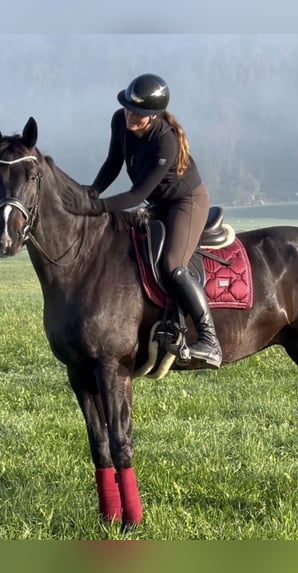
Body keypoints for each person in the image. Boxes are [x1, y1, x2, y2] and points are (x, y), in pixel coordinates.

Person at [59, 73, 222, 369]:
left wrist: (94, 207)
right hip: (158, 203)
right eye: (128, 109)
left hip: (186, 202)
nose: (131, 117)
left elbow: (136, 195)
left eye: (140, 115)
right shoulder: (119, 120)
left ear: (155, 116)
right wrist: (91, 191)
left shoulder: (165, 142)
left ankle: (210, 341)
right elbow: (113, 163)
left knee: (173, 266)